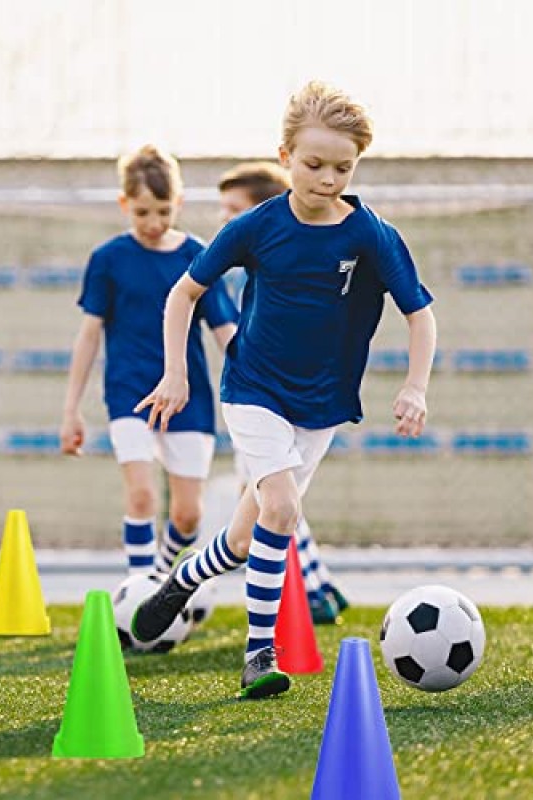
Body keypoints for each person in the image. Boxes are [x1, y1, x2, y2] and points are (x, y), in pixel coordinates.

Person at [132, 80, 436, 699]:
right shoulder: (256, 227)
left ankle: (185, 576)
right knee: (282, 510)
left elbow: (420, 315)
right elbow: (184, 293)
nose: (327, 177)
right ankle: (258, 654)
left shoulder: (370, 235)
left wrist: (415, 386)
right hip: (253, 388)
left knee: (248, 536)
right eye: (314, 163)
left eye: (342, 167)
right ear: (285, 156)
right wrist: (175, 371)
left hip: (321, 405)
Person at [61, 145, 237, 580]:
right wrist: (71, 409)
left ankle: (158, 583)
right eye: (142, 213)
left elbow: (225, 332)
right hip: (129, 392)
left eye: (163, 211)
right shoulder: (108, 260)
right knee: (140, 497)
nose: (154, 223)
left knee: (188, 516)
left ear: (178, 203)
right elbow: (89, 335)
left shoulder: (197, 255)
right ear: (125, 205)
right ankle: (138, 594)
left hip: (187, 397)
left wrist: (264, 381)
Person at [217, 161, 350, 625]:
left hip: (278, 399)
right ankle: (317, 582)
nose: (227, 221)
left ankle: (310, 589)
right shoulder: (242, 265)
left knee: (269, 495)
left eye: (235, 211)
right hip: (253, 396)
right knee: (273, 495)